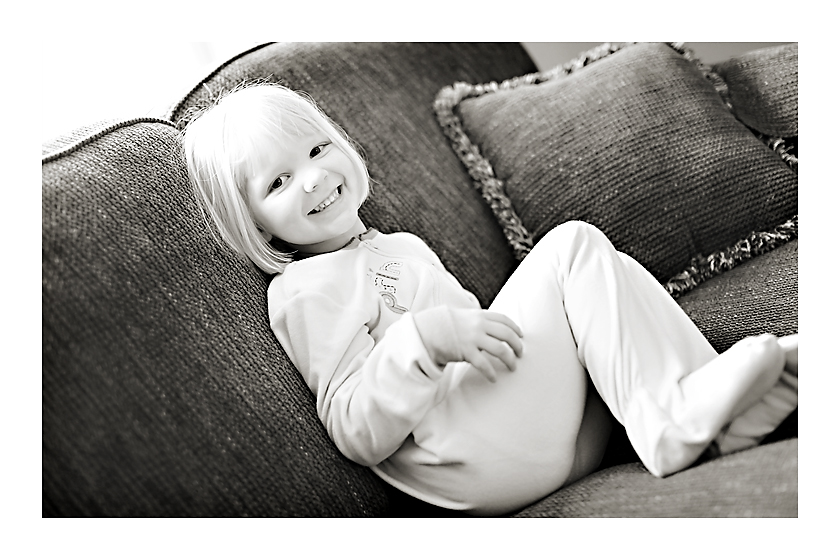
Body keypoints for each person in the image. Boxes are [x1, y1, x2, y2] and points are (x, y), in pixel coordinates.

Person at [182, 83, 798, 516]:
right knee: (572, 247)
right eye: (279, 181)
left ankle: (711, 413)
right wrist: (421, 342)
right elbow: (353, 429)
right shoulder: (303, 290)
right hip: (472, 457)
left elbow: (486, 339)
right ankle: (674, 419)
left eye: (317, 150)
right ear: (254, 224)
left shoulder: (400, 245)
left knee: (605, 277)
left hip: (542, 442)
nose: (314, 177)